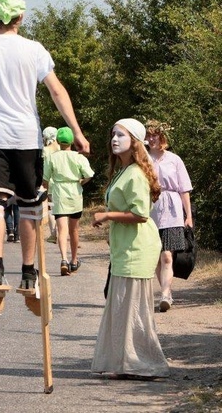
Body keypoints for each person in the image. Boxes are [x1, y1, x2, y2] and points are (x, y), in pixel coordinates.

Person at [0, 0, 89, 289]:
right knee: (30, 204)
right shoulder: (34, 50)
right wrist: (79, 132)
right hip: (26, 137)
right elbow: (57, 91)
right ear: (20, 17)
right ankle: (29, 272)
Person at [91, 118, 168, 379]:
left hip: (137, 249)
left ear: (134, 142)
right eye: (112, 134)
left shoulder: (135, 173)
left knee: (133, 309)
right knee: (123, 308)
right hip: (126, 249)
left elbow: (141, 214)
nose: (114, 139)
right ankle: (126, 364)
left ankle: (143, 364)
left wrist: (107, 216)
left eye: (120, 135)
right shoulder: (125, 171)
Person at [146, 120, 193, 312]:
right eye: (148, 136)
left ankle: (165, 294)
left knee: (167, 255)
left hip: (172, 209)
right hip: (149, 209)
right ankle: (167, 290)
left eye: (154, 135)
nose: (151, 139)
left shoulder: (174, 159)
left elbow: (184, 189)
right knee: (156, 255)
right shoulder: (142, 159)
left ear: (162, 137)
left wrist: (188, 215)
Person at [42, 126, 94, 276]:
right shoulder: (78, 157)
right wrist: (80, 181)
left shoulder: (52, 157)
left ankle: (63, 259)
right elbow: (89, 174)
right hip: (75, 193)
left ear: (58, 141)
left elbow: (45, 179)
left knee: (62, 229)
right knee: (74, 229)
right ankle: (74, 259)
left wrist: (46, 190)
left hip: (58, 192)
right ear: (72, 141)